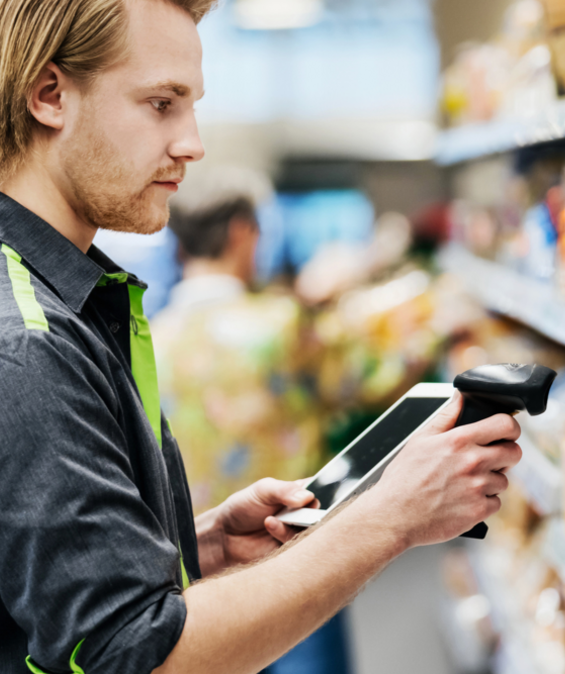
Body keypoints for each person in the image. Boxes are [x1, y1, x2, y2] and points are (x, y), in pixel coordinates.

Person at [0, 1, 522, 673]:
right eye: (161, 104)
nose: (193, 143)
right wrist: (394, 516)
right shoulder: (16, 346)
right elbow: (137, 658)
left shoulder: (12, 288)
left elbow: (22, 585)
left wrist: (191, 545)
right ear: (48, 95)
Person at [152, 166, 351, 674]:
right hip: (292, 552)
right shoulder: (281, 326)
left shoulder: (146, 341)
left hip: (192, 580)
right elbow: (362, 376)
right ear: (243, 232)